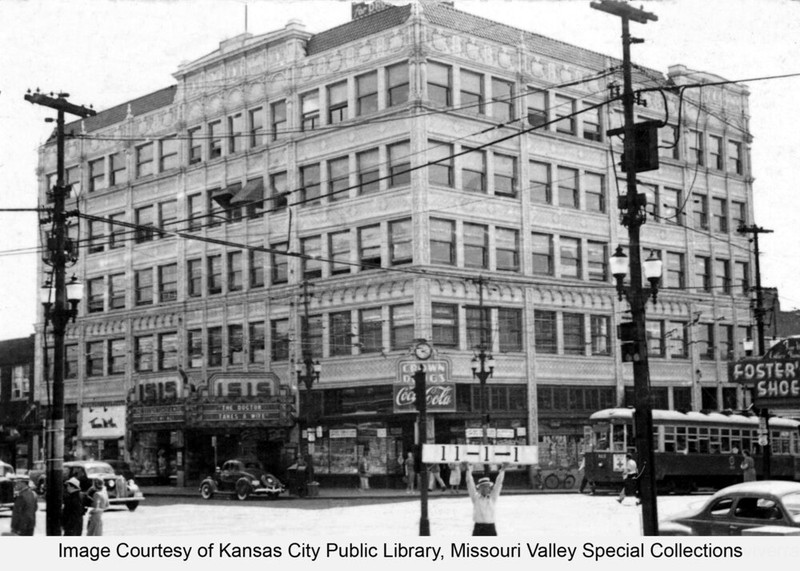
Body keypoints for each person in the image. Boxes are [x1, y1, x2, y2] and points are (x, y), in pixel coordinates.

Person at [465, 463, 507, 536]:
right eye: (483, 487)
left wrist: (503, 469)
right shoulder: (475, 498)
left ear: (489, 488)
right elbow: (469, 483)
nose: (485, 488)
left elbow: (499, 483)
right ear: (479, 488)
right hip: (478, 527)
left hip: (490, 527)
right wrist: (468, 470)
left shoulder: (493, 498)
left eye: (487, 487)